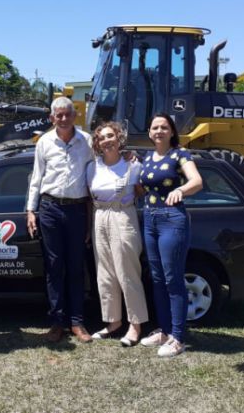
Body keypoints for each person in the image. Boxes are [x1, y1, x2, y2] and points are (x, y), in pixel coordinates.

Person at [26, 97, 94, 343]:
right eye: (59, 115)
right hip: (50, 208)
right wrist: (31, 210)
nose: (63, 119)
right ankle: (57, 322)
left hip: (77, 210)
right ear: (52, 118)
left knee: (76, 267)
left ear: (74, 115)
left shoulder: (87, 141)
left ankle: (77, 322)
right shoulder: (44, 142)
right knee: (54, 267)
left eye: (67, 114)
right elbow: (36, 177)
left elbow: (100, 169)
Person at [138, 113, 202, 357]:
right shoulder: (148, 157)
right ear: (149, 132)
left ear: (172, 132)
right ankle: (164, 331)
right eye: (155, 127)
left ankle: (178, 337)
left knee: (173, 279)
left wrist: (181, 190)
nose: (159, 131)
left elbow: (197, 181)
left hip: (172, 220)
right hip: (150, 219)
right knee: (157, 279)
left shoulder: (180, 155)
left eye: (164, 127)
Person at [86, 122, 149, 347]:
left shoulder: (133, 165)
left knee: (127, 273)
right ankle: (113, 321)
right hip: (99, 218)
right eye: (102, 138)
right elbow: (87, 200)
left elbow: (143, 193)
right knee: (105, 273)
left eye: (110, 136)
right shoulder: (92, 167)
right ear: (97, 143)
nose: (107, 141)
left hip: (124, 217)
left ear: (119, 138)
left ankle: (136, 325)